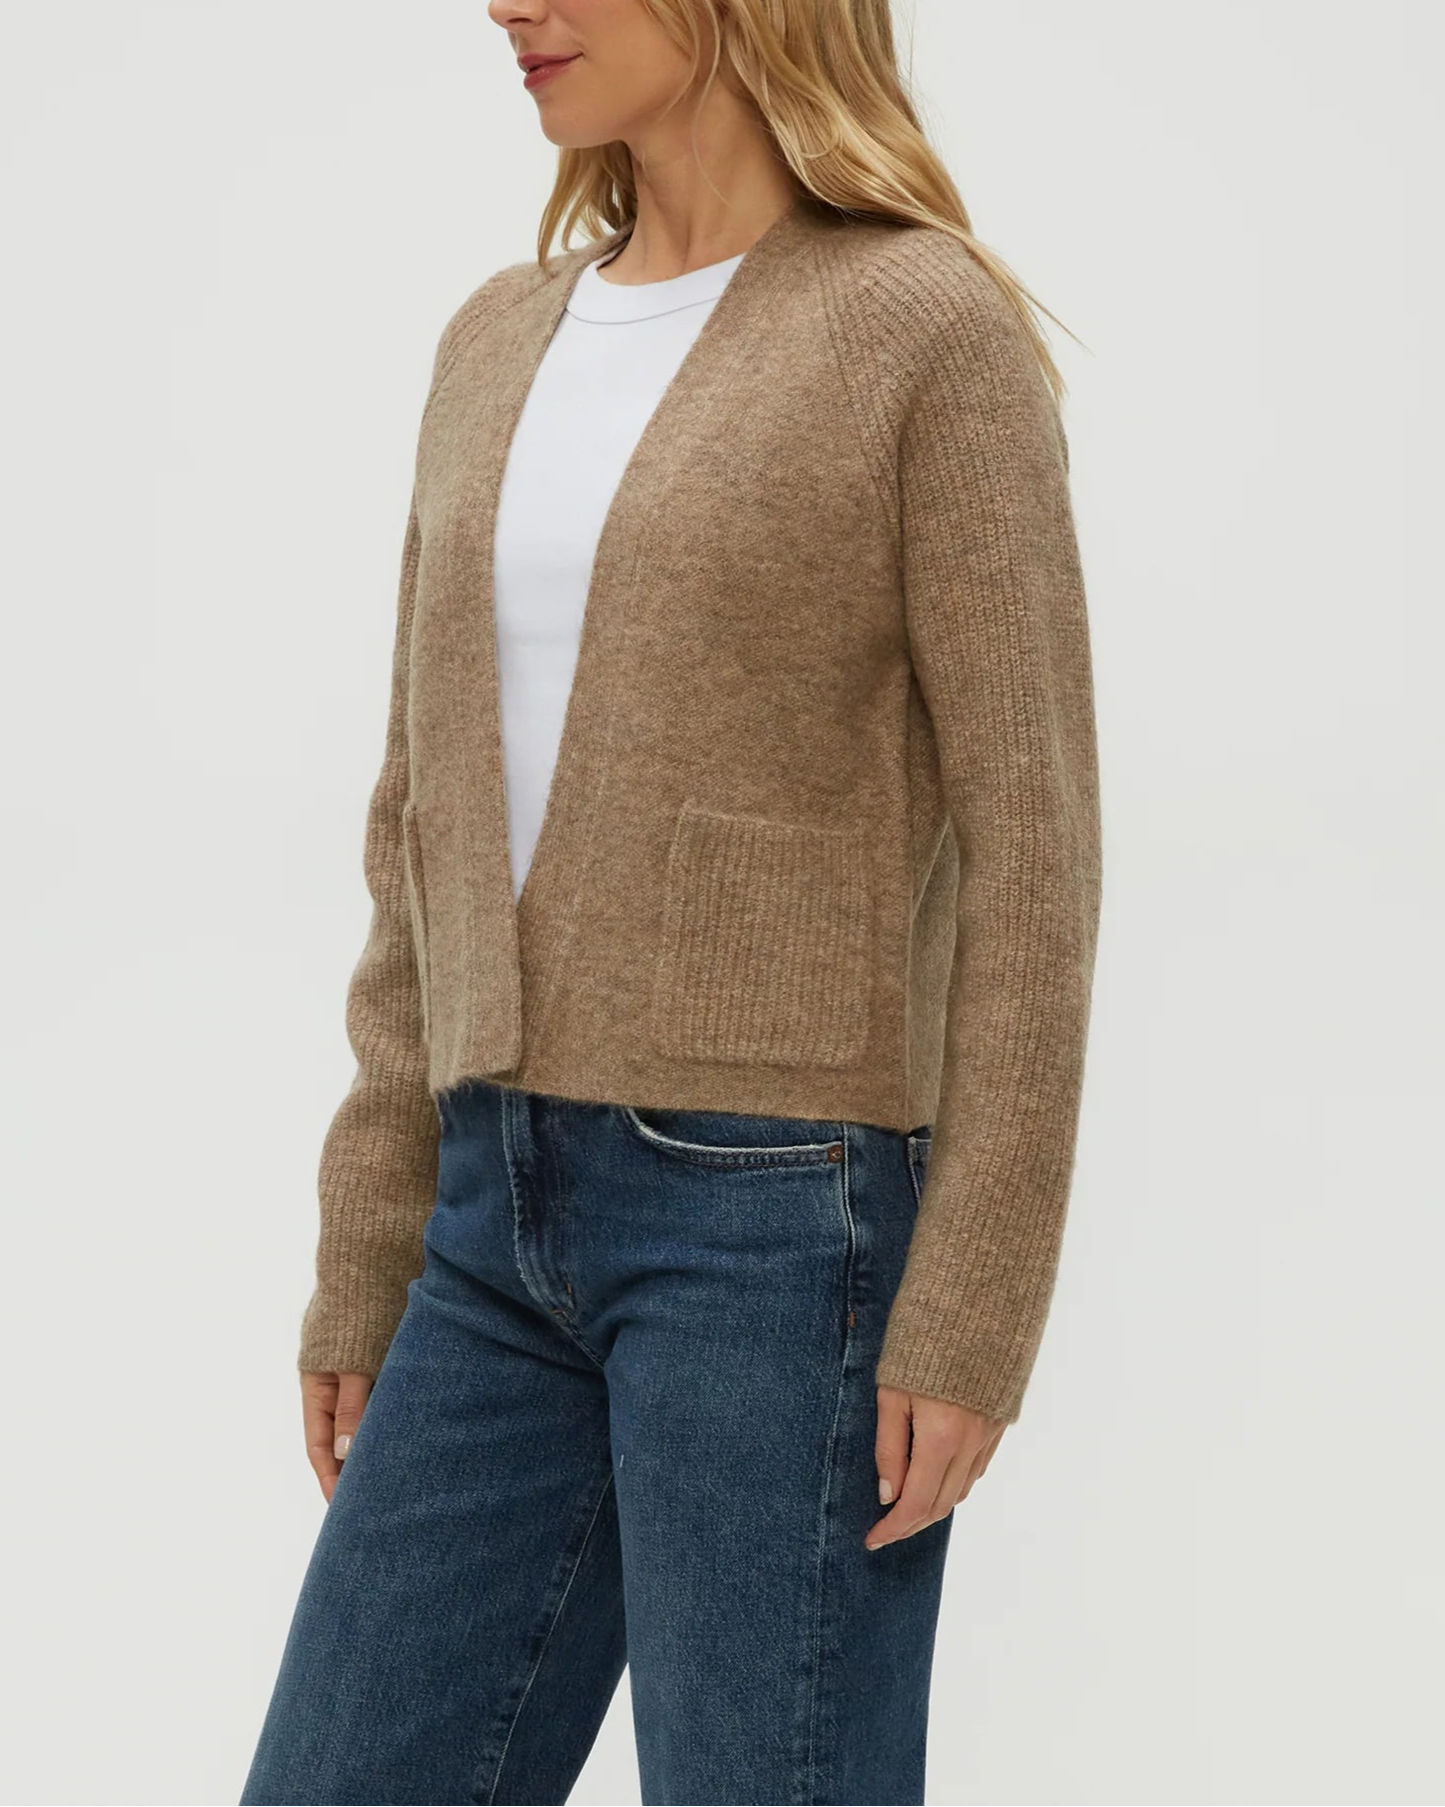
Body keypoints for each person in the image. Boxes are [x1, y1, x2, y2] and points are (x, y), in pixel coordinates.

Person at [240, 1, 1102, 1802]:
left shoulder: (922, 329)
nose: (507, 4)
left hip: (777, 1230)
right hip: (487, 1224)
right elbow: (416, 824)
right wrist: (365, 1240)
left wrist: (974, 1301)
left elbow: (1036, 846)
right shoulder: (495, 339)